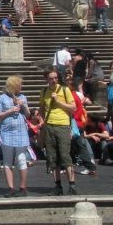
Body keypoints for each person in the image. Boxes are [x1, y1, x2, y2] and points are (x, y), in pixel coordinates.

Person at [39, 68, 77, 196]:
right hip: (49, 125)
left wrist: (59, 102)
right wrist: (43, 120)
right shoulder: (44, 91)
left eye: (55, 78)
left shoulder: (64, 90)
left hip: (63, 125)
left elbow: (73, 108)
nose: (54, 80)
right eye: (51, 78)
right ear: (47, 79)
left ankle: (72, 185)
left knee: (65, 155)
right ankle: (58, 185)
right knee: (52, 157)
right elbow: (42, 108)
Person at [0, 76, 31, 197]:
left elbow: (28, 114)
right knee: (7, 161)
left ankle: (22, 187)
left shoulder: (23, 97)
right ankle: (10, 187)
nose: (21, 86)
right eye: (20, 84)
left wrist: (23, 106)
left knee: (21, 160)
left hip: (21, 132)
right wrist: (10, 110)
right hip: (7, 132)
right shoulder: (1, 98)